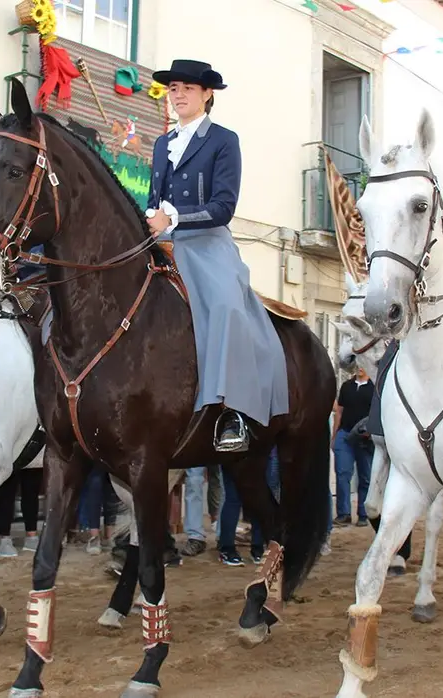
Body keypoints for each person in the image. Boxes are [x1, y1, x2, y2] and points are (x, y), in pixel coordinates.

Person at [145, 59, 288, 452]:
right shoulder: (162, 144)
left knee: (226, 306)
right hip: (160, 243)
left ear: (207, 94)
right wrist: (148, 219)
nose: (178, 95)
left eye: (187, 88)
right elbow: (154, 201)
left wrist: (172, 217)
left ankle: (232, 411)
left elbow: (224, 206)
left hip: (206, 242)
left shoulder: (224, 140)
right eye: (173, 88)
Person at [333, 367, 374, 526]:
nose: (360, 367)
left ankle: (363, 514)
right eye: (357, 364)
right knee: (342, 473)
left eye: (362, 364)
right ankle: (344, 513)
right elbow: (339, 412)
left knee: (366, 476)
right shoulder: (347, 386)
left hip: (365, 437)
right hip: (345, 434)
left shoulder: (374, 388)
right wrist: (335, 435)